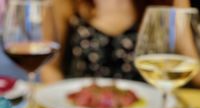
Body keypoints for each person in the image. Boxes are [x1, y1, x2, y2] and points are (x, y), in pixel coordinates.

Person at [41, 0, 190, 83]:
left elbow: (189, 63)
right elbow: (49, 67)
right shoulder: (64, 3)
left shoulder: (168, 3)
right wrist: (64, 99)